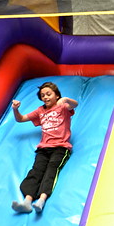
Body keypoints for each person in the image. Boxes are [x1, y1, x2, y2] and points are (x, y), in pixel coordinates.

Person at [10, 82, 78, 213]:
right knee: (36, 171)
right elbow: (21, 119)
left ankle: (41, 200)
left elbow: (75, 104)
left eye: (48, 94)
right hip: (44, 148)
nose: (45, 97)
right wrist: (15, 109)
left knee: (51, 169)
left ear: (56, 96)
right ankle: (27, 202)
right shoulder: (40, 111)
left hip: (61, 147)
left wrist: (65, 99)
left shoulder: (63, 107)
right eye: (42, 95)